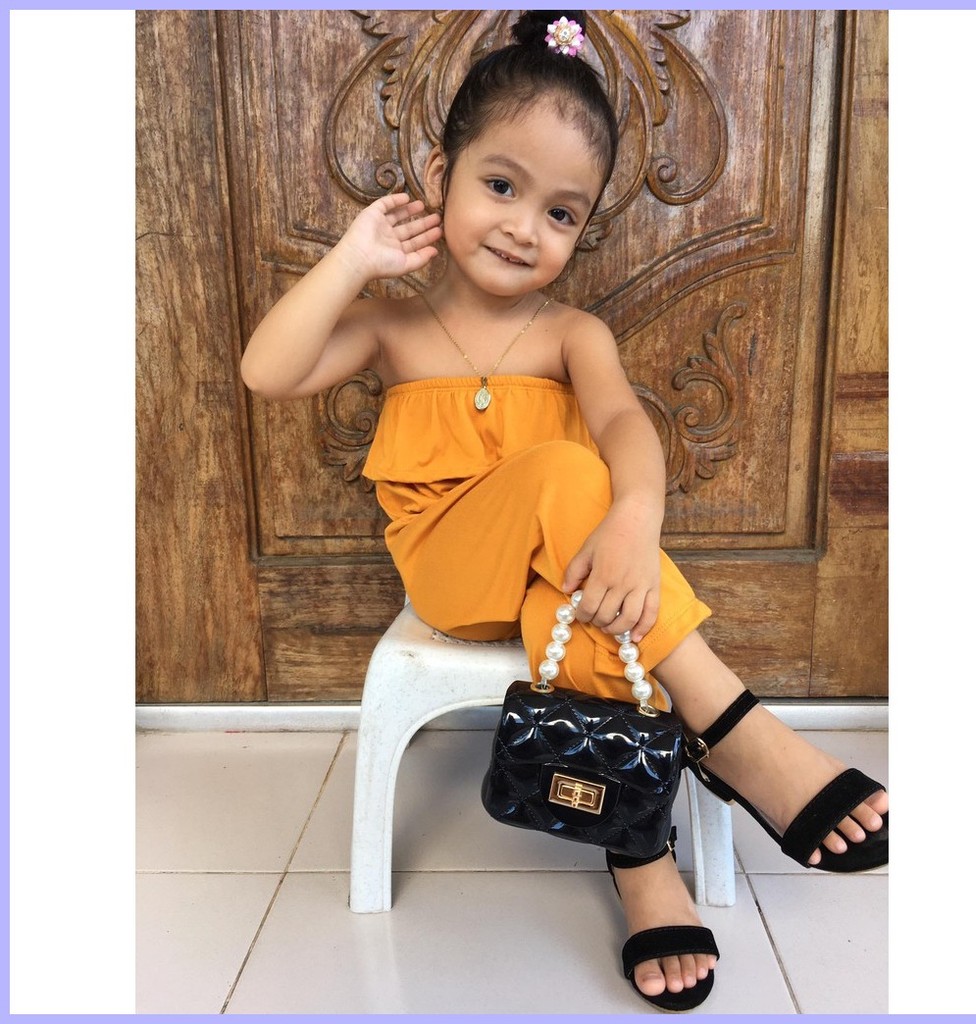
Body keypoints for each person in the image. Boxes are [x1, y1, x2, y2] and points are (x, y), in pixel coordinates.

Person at [241, 10, 888, 1012]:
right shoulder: (390, 327)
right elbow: (266, 371)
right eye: (500, 185)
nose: (523, 227)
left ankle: (641, 858)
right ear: (439, 172)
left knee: (591, 593)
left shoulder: (573, 331)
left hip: (560, 575)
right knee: (562, 471)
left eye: (560, 213)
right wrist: (353, 259)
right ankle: (736, 730)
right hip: (455, 580)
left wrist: (636, 517)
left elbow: (626, 422)